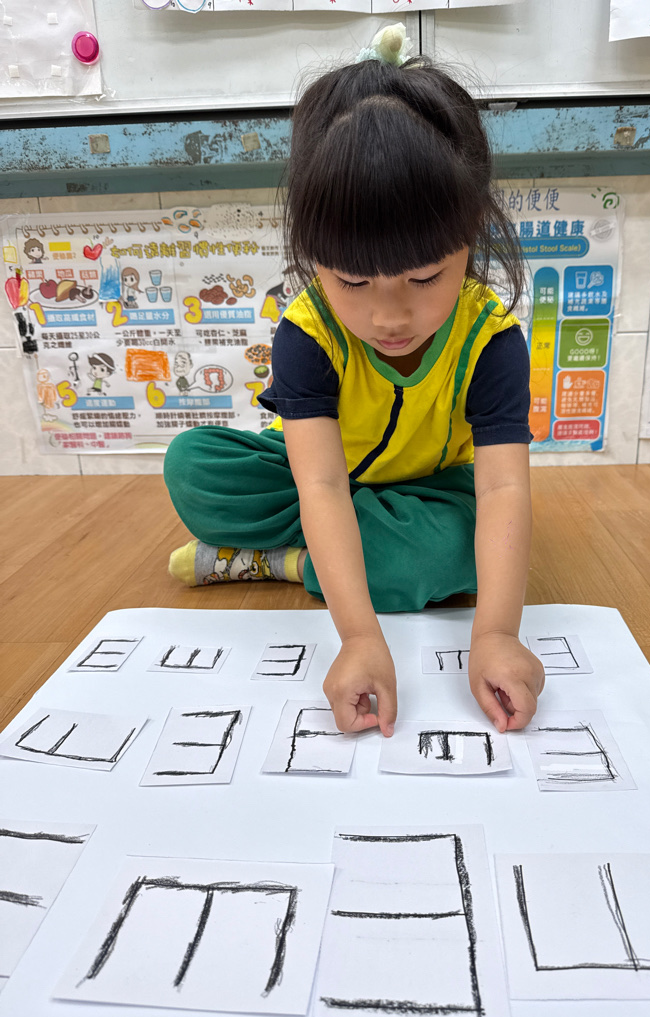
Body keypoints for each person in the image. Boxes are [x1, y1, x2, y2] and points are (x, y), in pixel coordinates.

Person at [164, 26, 545, 737]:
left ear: (471, 236)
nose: (389, 316)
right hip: (328, 482)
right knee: (195, 467)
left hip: (431, 488)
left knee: (457, 546)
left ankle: (282, 562)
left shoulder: (490, 340)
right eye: (352, 281)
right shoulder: (308, 334)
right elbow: (319, 484)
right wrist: (360, 637)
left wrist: (496, 633)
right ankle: (335, 554)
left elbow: (502, 488)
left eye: (425, 278)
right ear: (314, 257)